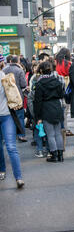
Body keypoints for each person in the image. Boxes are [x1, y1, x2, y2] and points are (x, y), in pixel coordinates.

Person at [0, 54, 25, 188]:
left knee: (11, 147)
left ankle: (18, 177)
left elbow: (15, 96)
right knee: (7, 147)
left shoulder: (6, 77)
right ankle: (2, 170)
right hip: (6, 116)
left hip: (6, 116)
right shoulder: (6, 77)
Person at [33, 61, 65, 163]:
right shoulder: (57, 81)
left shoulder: (39, 83)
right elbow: (61, 94)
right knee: (58, 133)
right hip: (57, 106)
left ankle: (54, 155)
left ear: (41, 71)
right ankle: (60, 155)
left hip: (46, 108)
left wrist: (37, 117)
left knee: (50, 134)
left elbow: (37, 102)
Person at [3, 55, 28, 142]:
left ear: (10, 61)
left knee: (9, 117)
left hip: (7, 98)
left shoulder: (4, 70)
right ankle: (21, 135)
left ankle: (10, 136)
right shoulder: (19, 70)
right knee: (20, 117)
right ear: (17, 61)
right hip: (18, 97)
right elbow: (23, 84)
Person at [27, 62, 47, 158]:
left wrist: (34, 113)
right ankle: (47, 150)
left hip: (37, 112)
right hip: (46, 112)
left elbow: (30, 101)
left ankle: (40, 150)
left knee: (37, 131)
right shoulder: (47, 80)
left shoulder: (35, 79)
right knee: (47, 131)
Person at [55, 48, 74, 138]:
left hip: (55, 89)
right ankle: (64, 129)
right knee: (65, 110)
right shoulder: (68, 64)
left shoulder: (55, 62)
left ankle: (59, 128)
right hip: (66, 89)